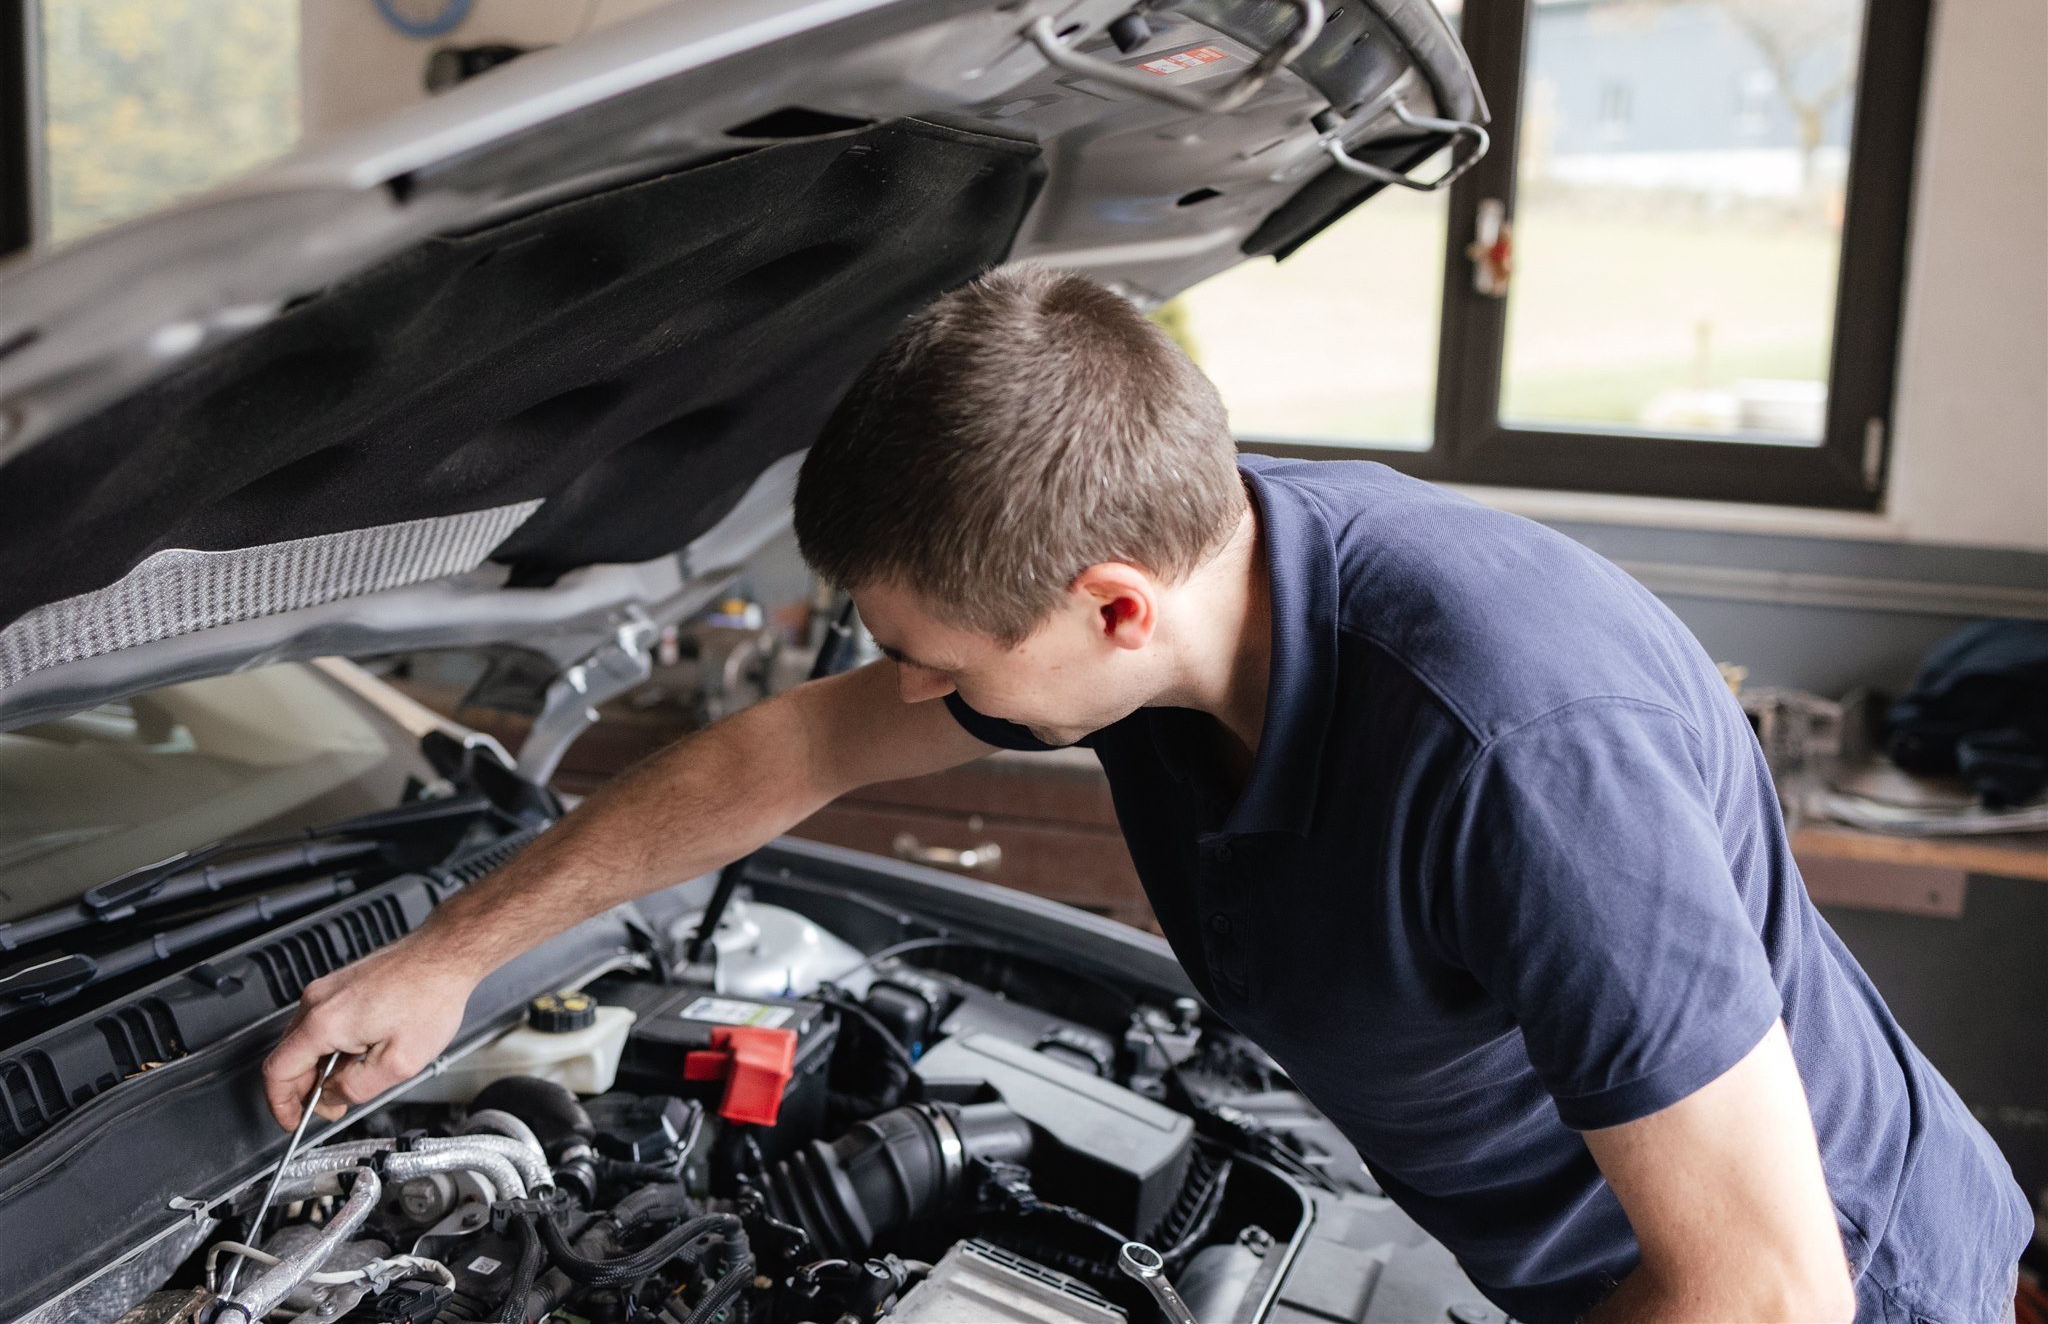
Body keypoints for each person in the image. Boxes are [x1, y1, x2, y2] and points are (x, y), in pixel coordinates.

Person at [264, 262, 2028, 1324]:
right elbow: (791, 747)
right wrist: (450, 954)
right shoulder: (1182, 578)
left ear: (1114, 604)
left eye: (944, 661)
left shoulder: (1516, 748)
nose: (923, 697)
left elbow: (1764, 1288)